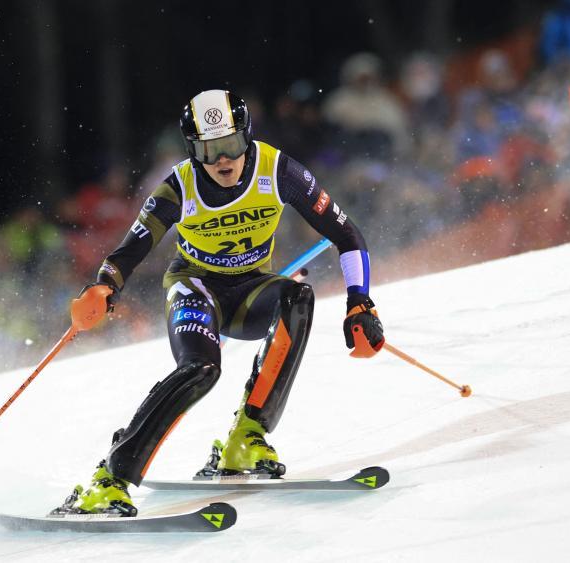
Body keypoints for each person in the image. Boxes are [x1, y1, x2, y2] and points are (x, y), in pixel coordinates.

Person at [55, 90, 386, 516]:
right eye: (208, 151)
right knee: (201, 371)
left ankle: (246, 437)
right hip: (195, 289)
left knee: (297, 297)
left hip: (250, 291)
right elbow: (130, 250)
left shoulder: (278, 170)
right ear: (193, 150)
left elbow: (347, 235)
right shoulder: (178, 186)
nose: (222, 160)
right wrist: (103, 286)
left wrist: (360, 303)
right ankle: (108, 479)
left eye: (230, 145)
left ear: (246, 137)